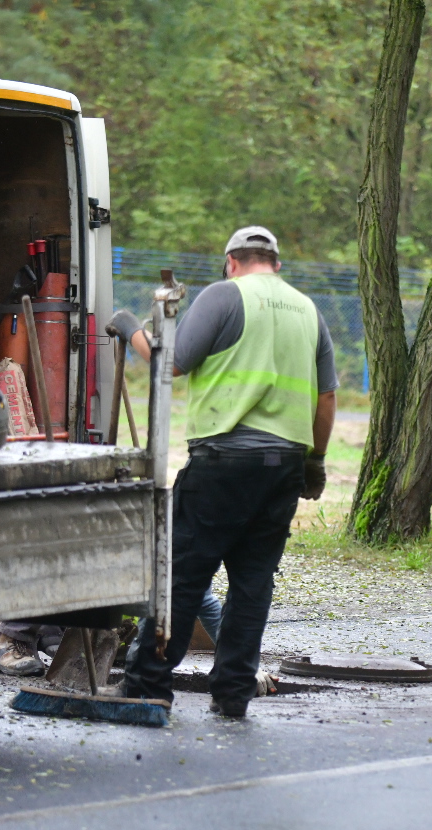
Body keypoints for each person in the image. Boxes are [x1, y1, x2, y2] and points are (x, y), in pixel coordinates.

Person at [109, 225, 335, 717]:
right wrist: (315, 462)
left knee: (184, 576)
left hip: (224, 461)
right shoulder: (308, 311)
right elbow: (326, 397)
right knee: (253, 583)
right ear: (276, 263)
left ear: (231, 261)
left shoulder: (223, 296)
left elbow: (172, 364)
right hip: (284, 470)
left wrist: (129, 329)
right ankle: (233, 692)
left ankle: (148, 685)